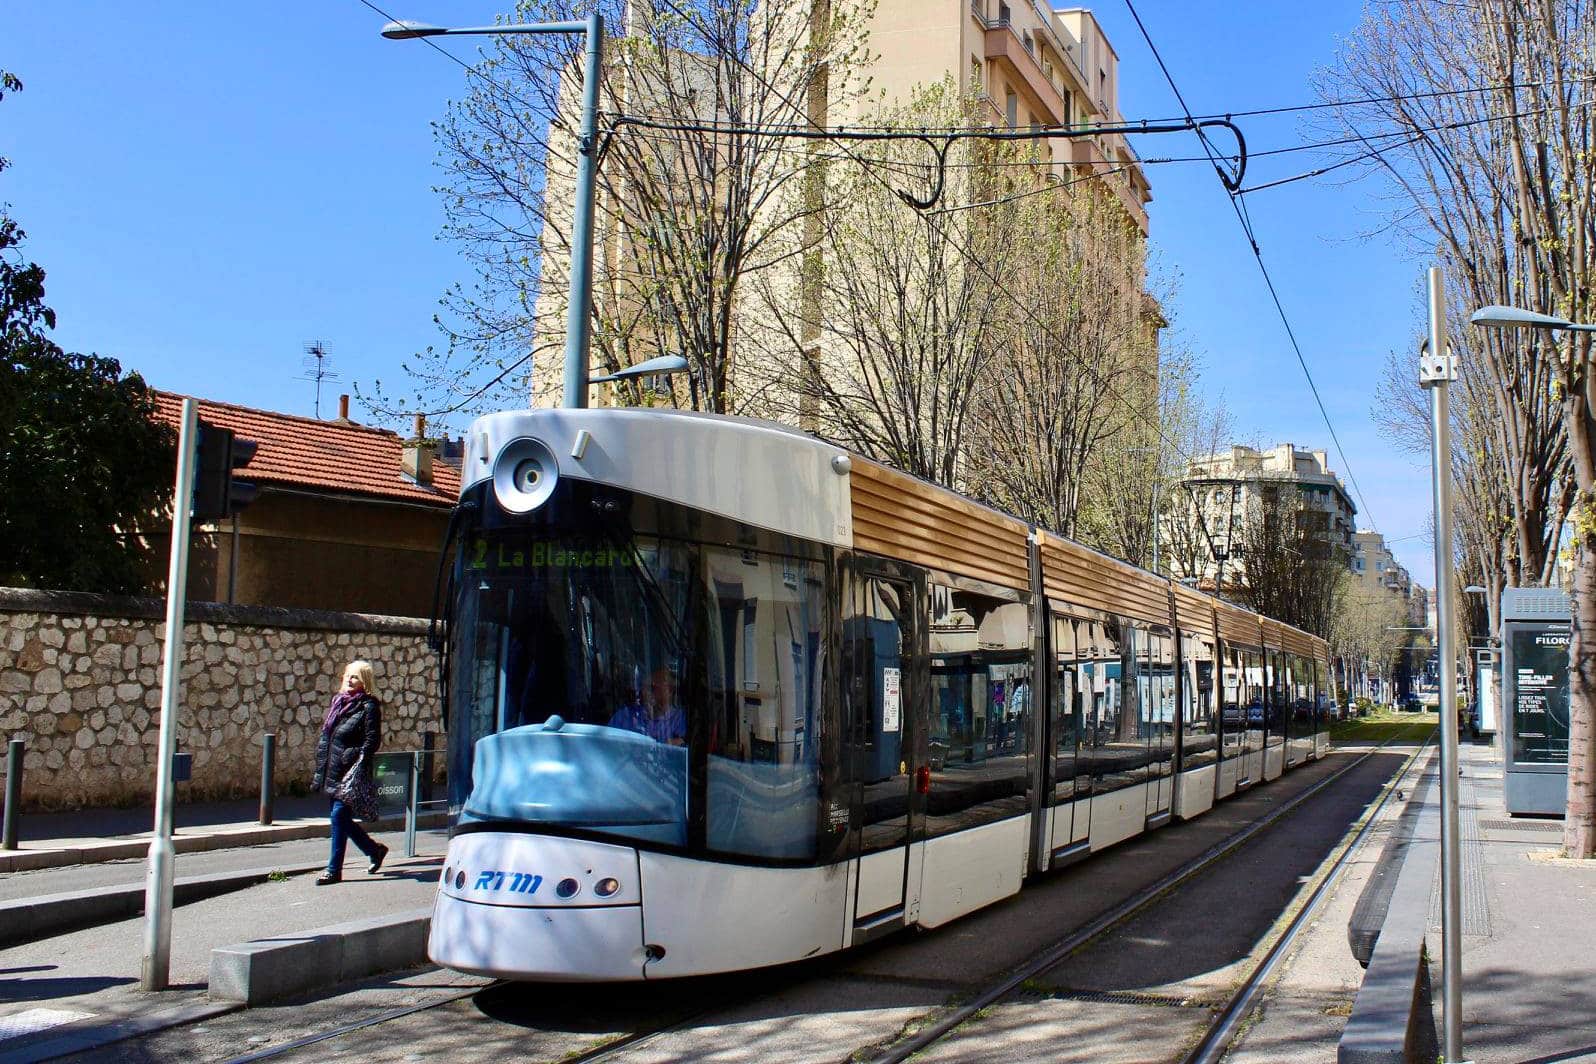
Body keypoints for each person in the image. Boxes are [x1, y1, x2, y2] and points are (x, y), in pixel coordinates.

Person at [311, 659, 388, 885]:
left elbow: (372, 741)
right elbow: (328, 737)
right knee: (342, 819)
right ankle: (374, 850)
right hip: (333, 769)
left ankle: (334, 870)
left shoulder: (369, 706)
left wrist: (353, 755)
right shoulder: (339, 703)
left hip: (351, 772)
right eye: (347, 675)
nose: (349, 680)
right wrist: (321, 767)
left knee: (338, 816)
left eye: (355, 676)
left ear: (364, 681)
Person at [608, 667, 687, 745]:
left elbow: (684, 747)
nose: (646, 693)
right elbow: (606, 743)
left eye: (653, 688)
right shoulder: (625, 716)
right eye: (644, 687)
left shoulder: (680, 719)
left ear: (670, 691)